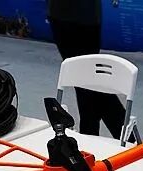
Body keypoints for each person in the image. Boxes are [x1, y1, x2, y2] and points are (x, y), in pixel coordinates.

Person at [47, 0, 128, 139]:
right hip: (74, 15)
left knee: (86, 79)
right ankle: (92, 134)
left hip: (75, 16)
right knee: (85, 80)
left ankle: (123, 136)